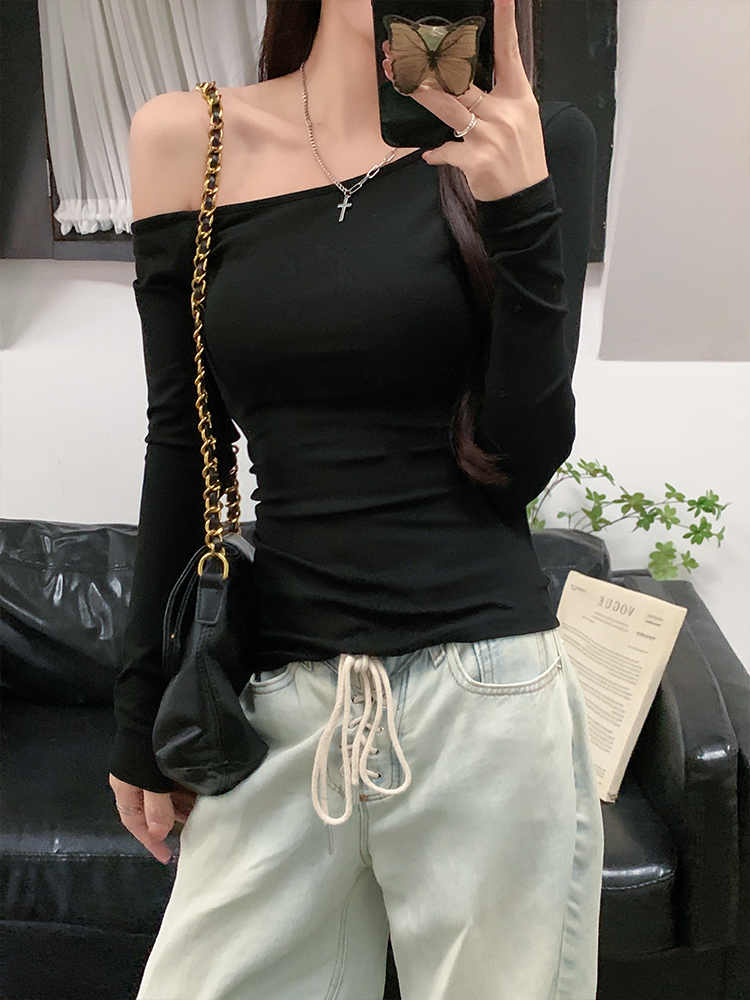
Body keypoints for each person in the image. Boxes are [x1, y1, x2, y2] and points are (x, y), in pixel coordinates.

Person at [108, 0, 604, 997]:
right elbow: (184, 441)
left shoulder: (534, 134)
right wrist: (139, 709)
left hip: (488, 703)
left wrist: (520, 208)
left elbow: (522, 460)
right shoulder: (191, 140)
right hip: (279, 708)